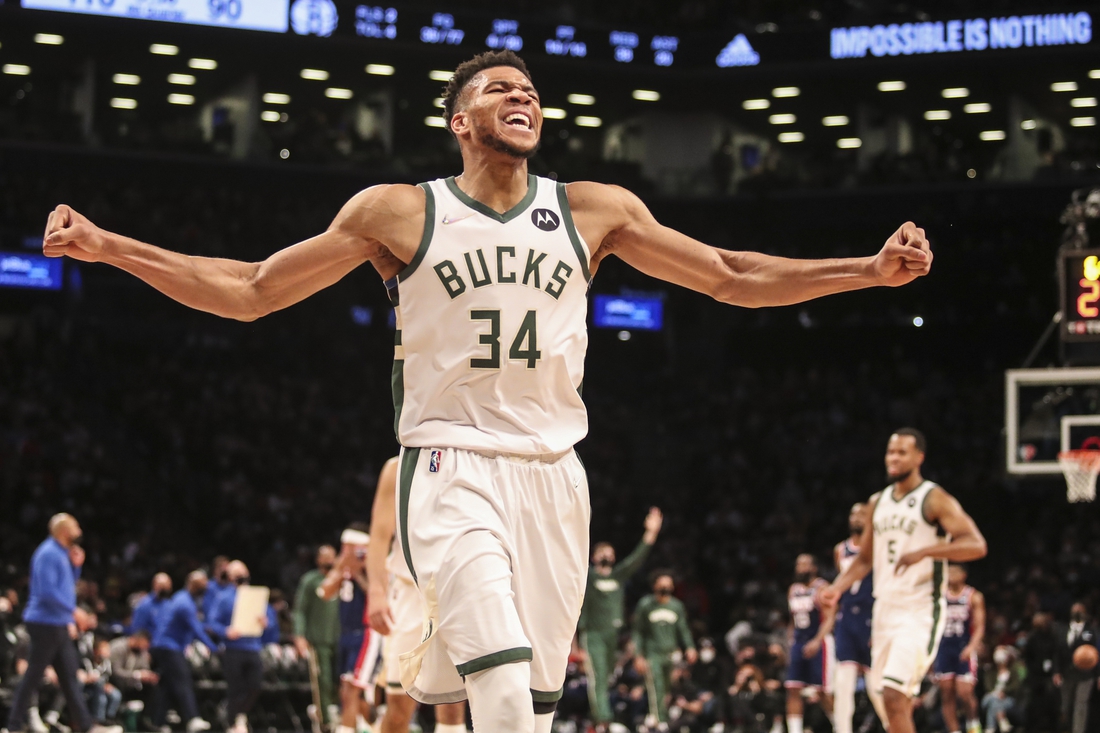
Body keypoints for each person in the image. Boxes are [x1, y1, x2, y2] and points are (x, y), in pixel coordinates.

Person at [40, 49, 933, 732]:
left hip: (556, 478)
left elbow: (732, 274)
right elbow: (250, 288)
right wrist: (112, 246)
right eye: (500, 89)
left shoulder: (595, 209)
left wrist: (866, 269)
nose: (522, 96)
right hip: (450, 463)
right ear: (459, 121)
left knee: (530, 711)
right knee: (502, 695)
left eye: (530, 90)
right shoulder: (397, 211)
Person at [821, 428, 987, 733]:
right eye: (890, 452)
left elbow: (976, 544)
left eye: (901, 452)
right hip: (883, 610)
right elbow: (865, 559)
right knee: (888, 700)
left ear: (919, 457)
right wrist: (836, 588)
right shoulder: (878, 501)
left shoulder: (933, 498)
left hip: (919, 610)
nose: (893, 458)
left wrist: (927, 551)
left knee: (896, 696)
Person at [366, 457, 467, 733]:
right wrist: (376, 591)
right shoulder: (397, 466)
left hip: (459, 590)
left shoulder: (472, 457)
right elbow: (378, 537)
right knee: (399, 708)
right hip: (410, 592)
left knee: (453, 703)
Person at [5, 514, 119, 733]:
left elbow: (67, 587)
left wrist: (76, 566)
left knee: (69, 677)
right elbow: (47, 592)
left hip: (58, 623)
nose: (79, 528)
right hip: (44, 622)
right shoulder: (48, 553)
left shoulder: (62, 553)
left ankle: (85, 726)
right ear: (64, 530)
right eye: (74, 525)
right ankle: (13, 726)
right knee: (33, 676)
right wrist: (74, 611)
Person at [579, 507, 662, 730]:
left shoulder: (618, 576)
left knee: (606, 679)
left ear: (614, 557)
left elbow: (638, 558)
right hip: (593, 634)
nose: (606, 555)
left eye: (610, 552)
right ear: (594, 556)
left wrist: (651, 533)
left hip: (613, 634)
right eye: (602, 552)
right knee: (597, 676)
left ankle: (598, 718)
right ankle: (604, 720)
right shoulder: (588, 576)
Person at [208, 561, 279, 733]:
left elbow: (270, 620)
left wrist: (266, 622)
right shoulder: (224, 597)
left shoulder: (256, 596)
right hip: (233, 648)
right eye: (236, 572)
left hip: (253, 647)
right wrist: (226, 631)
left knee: (256, 686)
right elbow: (211, 622)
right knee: (236, 688)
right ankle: (234, 723)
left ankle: (238, 714)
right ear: (230, 576)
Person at [318, 526, 375, 733]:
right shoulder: (341, 569)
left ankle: (350, 728)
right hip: (345, 634)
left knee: (353, 688)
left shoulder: (370, 566)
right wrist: (342, 569)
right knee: (345, 689)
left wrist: (359, 573)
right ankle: (362, 725)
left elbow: (376, 594)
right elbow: (324, 592)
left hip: (365, 633)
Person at [150, 571, 216, 733]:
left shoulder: (182, 598)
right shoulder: (184, 603)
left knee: (167, 684)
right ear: (193, 585)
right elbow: (197, 629)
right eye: (202, 585)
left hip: (165, 645)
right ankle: (192, 719)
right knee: (183, 679)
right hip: (168, 646)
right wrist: (214, 649)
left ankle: (158, 722)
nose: (205, 588)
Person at [828, 503, 873, 733]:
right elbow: (840, 586)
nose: (856, 517)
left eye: (861, 514)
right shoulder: (840, 549)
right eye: (852, 513)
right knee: (843, 684)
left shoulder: (877, 547)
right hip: (847, 619)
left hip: (870, 618)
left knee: (876, 687)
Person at [632, 571, 696, 725]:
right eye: (662, 584)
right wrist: (638, 655)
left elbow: (683, 629)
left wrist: (690, 647)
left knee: (667, 688)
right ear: (654, 585)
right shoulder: (645, 605)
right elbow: (638, 632)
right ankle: (660, 721)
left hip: (671, 654)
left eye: (668, 584)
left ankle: (662, 718)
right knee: (656, 687)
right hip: (652, 654)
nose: (665, 587)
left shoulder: (677, 606)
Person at [293, 545, 341, 727]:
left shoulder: (343, 579)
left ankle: (339, 714)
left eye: (332, 556)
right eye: (325, 557)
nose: (329, 560)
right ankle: (325, 721)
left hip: (340, 638)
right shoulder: (310, 580)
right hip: (318, 639)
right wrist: (299, 635)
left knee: (342, 681)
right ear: (318, 560)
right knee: (323, 680)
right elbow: (300, 610)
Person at [934, 564, 985, 733]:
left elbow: (979, 626)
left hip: (963, 647)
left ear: (964, 574)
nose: (951, 574)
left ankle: (973, 724)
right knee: (946, 693)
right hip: (944, 647)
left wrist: (972, 646)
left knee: (965, 693)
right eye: (949, 571)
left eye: (955, 571)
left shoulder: (973, 596)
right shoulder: (939, 595)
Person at [784, 554, 832, 733]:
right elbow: (792, 620)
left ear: (814, 568)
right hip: (798, 641)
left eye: (805, 564)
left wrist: (817, 641)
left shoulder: (822, 587)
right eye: (798, 564)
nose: (801, 568)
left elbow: (830, 618)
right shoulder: (793, 589)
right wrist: (790, 642)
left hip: (818, 642)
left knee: (822, 692)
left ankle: (840, 726)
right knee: (793, 688)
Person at [1056, 602, 1098, 733]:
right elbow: (1057, 653)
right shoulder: (1063, 630)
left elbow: (1097, 653)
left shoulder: (1091, 631)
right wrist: (1056, 671)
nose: (1077, 612)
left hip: (1086, 674)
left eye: (1080, 610)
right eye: (1075, 610)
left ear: (1085, 613)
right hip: (1067, 673)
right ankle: (1065, 729)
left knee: (1081, 705)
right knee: (1065, 706)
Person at [980, 646, 1023, 733]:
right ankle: (1002, 720)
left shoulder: (1013, 671)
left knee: (994, 704)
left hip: (1007, 699)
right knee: (993, 699)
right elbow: (988, 686)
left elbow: (1016, 685)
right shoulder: (991, 671)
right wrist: (996, 693)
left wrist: (1004, 692)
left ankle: (990, 728)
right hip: (990, 697)